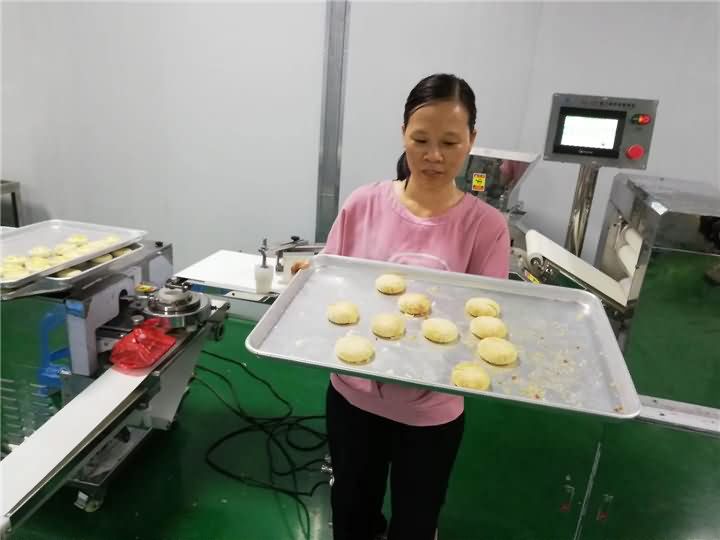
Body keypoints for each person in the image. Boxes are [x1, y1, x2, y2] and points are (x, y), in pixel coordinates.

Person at [296, 73, 510, 540]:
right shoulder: (363, 204)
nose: (434, 155)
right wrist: (309, 280)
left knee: (416, 521)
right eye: (421, 140)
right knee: (351, 513)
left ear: (472, 140)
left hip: (431, 409)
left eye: (450, 142)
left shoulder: (486, 227)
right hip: (353, 395)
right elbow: (332, 282)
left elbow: (485, 322)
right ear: (402, 135)